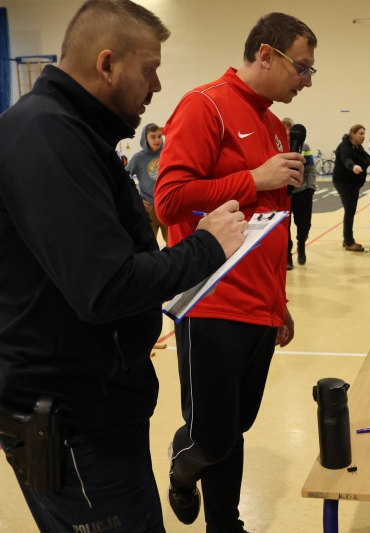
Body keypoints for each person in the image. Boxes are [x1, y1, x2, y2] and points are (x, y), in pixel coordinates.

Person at [0, 1, 247, 530]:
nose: (156, 86)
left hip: (96, 405)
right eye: (149, 69)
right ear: (107, 64)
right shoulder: (47, 135)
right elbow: (105, 287)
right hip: (72, 418)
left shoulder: (71, 131)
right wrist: (206, 246)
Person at [154, 12, 314, 530]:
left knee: (235, 428)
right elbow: (170, 201)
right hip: (211, 299)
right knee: (211, 436)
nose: (307, 81)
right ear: (266, 54)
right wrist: (253, 178)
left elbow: (272, 224)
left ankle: (227, 524)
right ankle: (182, 471)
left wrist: (279, 302)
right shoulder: (204, 106)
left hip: (259, 307)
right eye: (302, 67)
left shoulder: (274, 125)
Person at [282, 117, 317, 268]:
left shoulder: (305, 147)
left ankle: (301, 243)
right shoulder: (277, 146)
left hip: (303, 192)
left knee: (304, 225)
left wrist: (310, 187)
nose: (287, 134)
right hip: (284, 195)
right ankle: (288, 254)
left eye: (289, 131)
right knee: (285, 227)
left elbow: (310, 169)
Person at [333, 124, 370, 251]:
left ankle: (347, 238)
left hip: (354, 183)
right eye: (360, 134)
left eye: (364, 134)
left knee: (351, 210)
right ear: (352, 134)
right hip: (343, 182)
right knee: (350, 210)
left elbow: (368, 158)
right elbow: (346, 159)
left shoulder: (358, 147)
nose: (363, 136)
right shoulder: (345, 146)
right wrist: (353, 166)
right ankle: (349, 242)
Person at [127, 123, 168, 242]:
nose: (157, 140)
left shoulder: (167, 154)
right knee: (150, 244)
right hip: (149, 208)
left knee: (172, 243)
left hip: (166, 205)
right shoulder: (138, 158)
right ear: (145, 138)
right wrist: (136, 196)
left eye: (159, 136)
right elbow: (123, 177)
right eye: (153, 137)